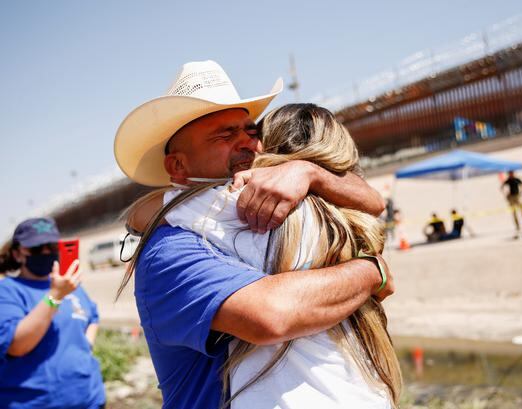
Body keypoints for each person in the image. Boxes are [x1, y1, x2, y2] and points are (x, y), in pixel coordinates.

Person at [113, 60, 392, 409]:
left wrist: (308, 171)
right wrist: (372, 271)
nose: (249, 143)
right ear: (178, 167)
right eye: (225, 135)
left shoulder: (281, 198)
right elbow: (270, 316)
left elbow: (373, 201)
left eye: (251, 130)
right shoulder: (169, 250)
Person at [0, 218, 105, 409]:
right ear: (17, 254)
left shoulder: (71, 286)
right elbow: (17, 345)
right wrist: (55, 296)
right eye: (37, 248)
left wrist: (85, 348)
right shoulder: (7, 290)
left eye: (51, 246)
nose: (46, 252)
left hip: (89, 400)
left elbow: (93, 316)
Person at [501, 170, 522, 236]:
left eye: (512, 173)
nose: (511, 174)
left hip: (517, 197)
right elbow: (502, 187)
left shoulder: (516, 179)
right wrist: (506, 194)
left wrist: (521, 191)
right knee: (514, 213)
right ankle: (517, 226)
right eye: (510, 173)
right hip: (511, 198)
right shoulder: (508, 180)